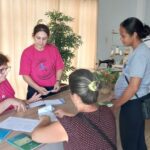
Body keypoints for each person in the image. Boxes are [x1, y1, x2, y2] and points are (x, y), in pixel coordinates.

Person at [32, 69, 116, 150]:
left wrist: (45, 119)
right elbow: (90, 123)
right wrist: (69, 116)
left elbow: (35, 136)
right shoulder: (107, 111)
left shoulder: (70, 126)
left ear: (75, 96)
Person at [113, 17, 150, 150]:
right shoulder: (140, 50)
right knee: (138, 142)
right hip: (135, 103)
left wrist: (116, 104)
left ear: (134, 34)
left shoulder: (140, 54)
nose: (121, 39)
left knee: (130, 144)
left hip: (132, 105)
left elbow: (134, 86)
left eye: (123, 35)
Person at [19, 24, 64, 99]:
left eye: (44, 38)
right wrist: (38, 88)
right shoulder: (27, 53)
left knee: (55, 109)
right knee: (33, 110)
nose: (41, 42)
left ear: (48, 37)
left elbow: (59, 67)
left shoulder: (53, 49)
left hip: (52, 88)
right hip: (34, 89)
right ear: (33, 36)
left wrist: (57, 81)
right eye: (38, 38)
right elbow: (25, 75)